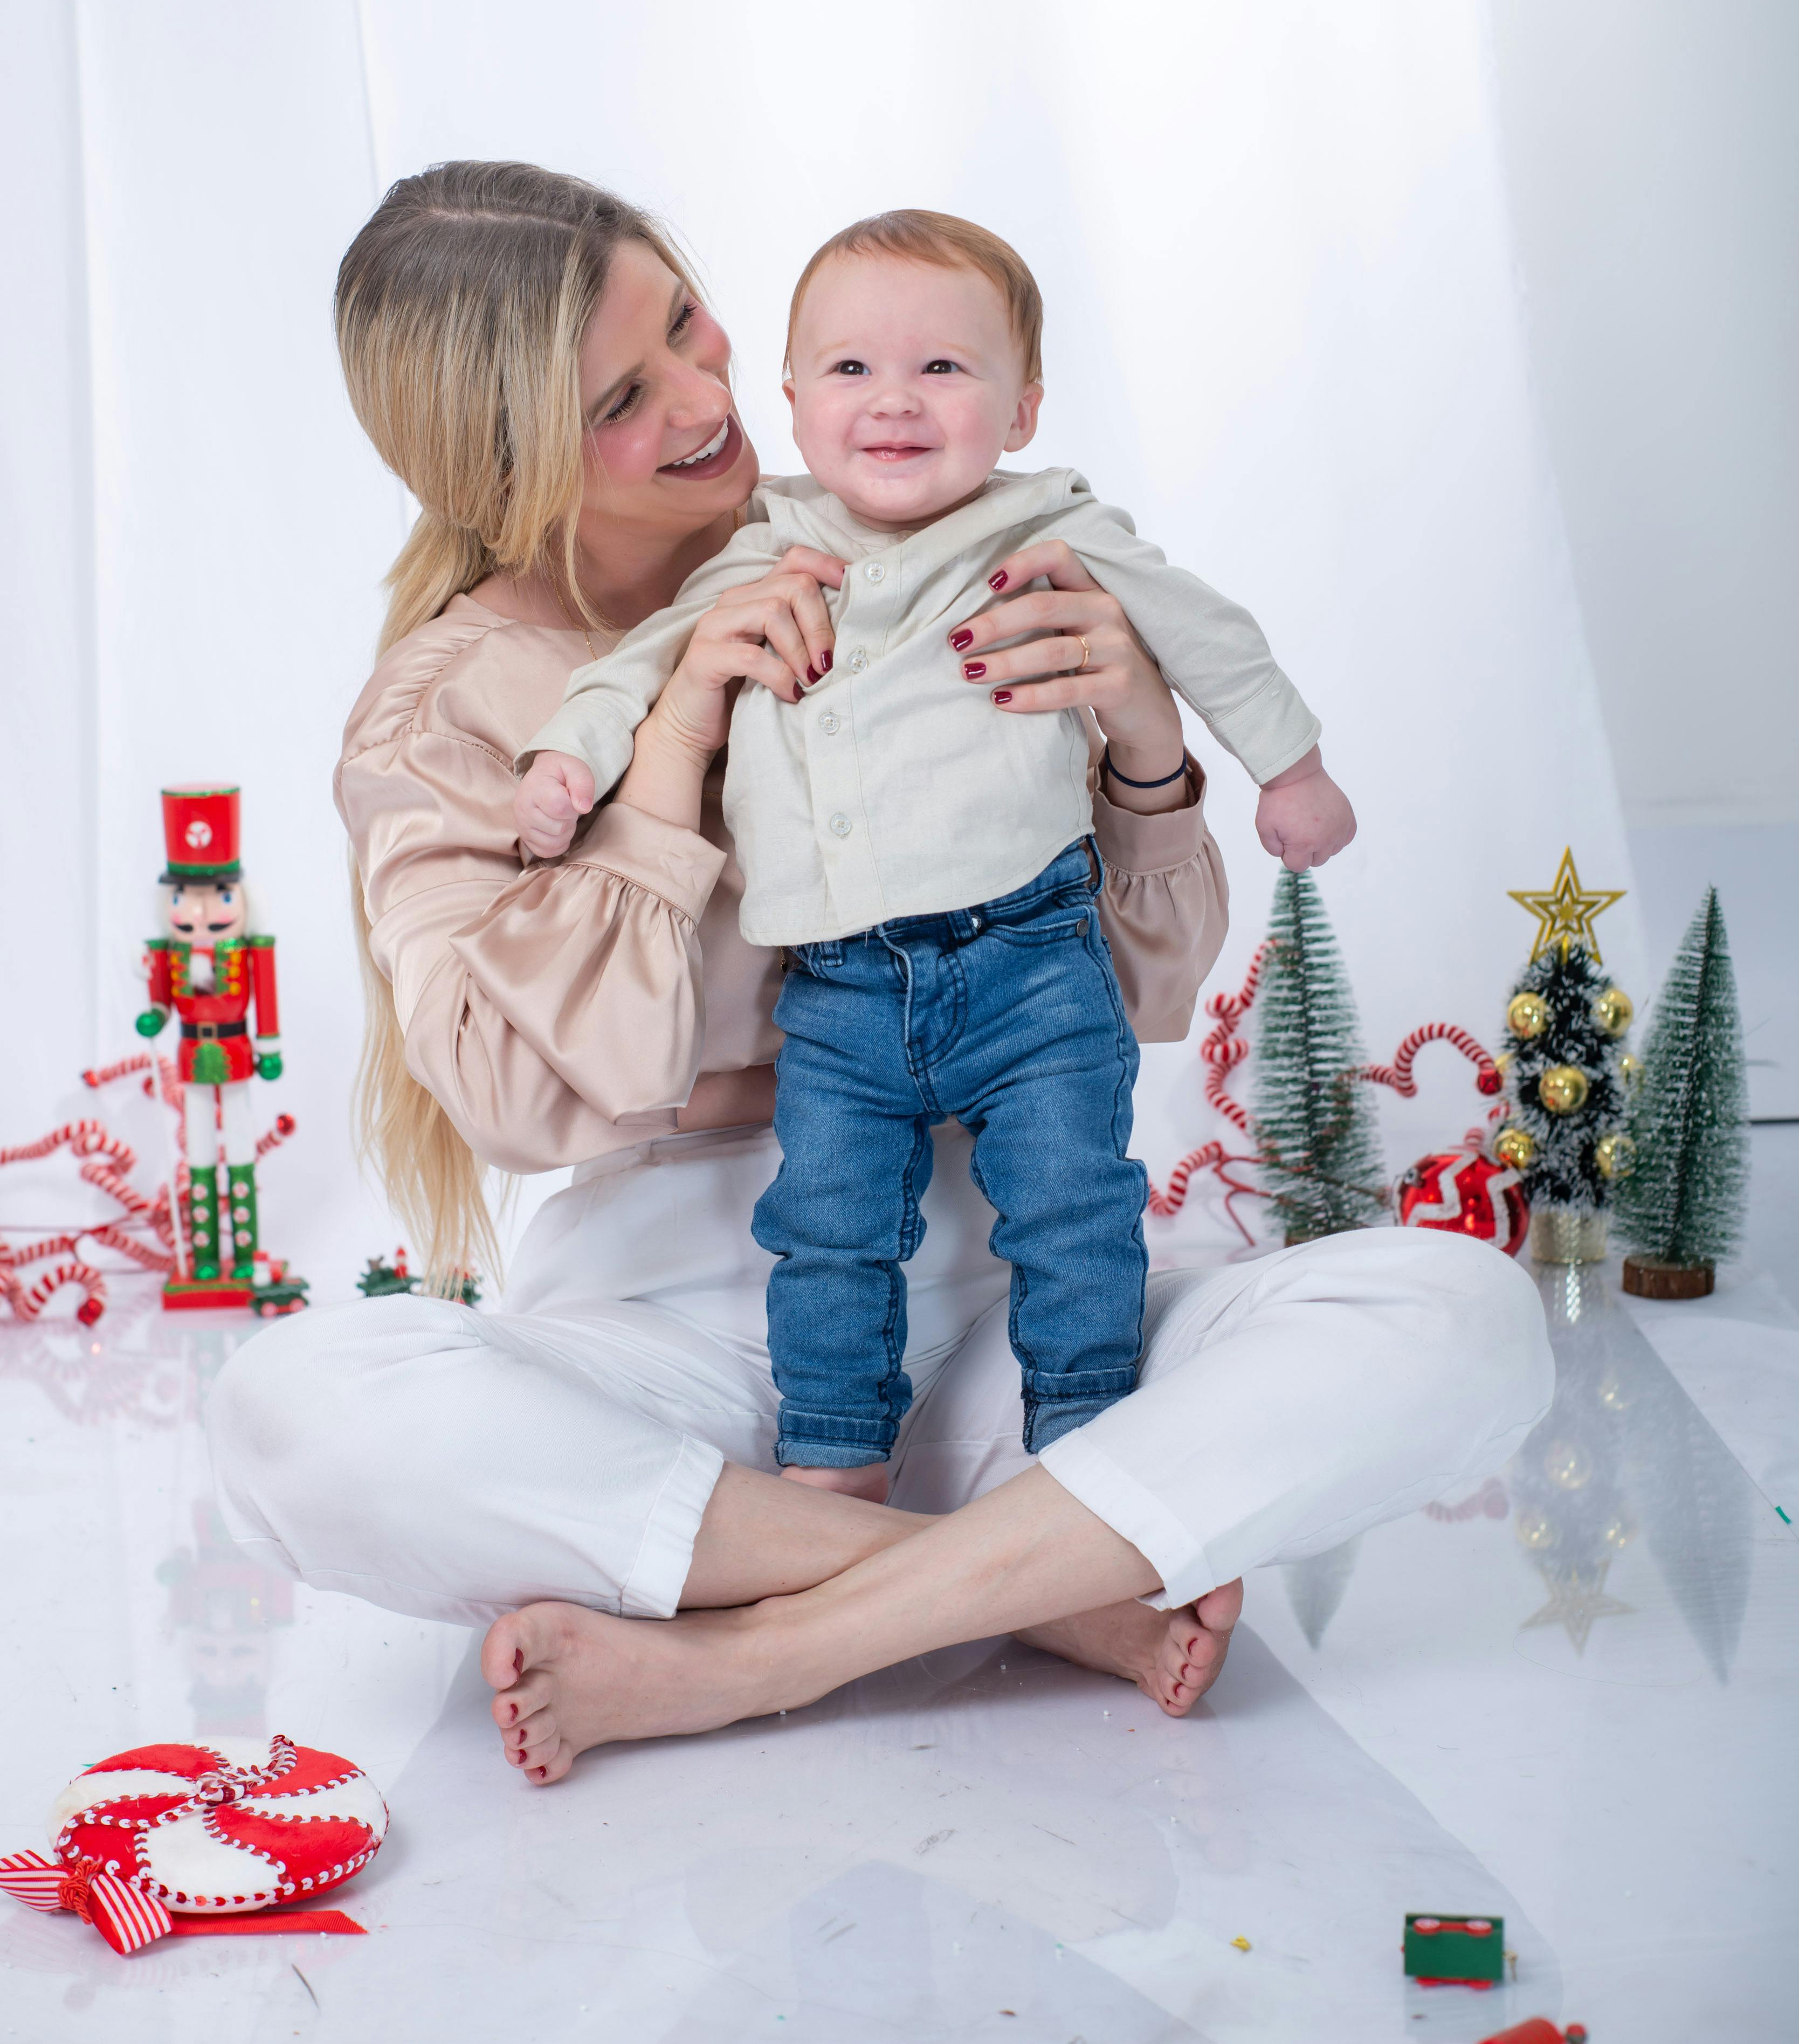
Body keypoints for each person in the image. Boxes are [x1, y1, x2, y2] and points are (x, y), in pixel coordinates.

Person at [206, 159, 1552, 1789]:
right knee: (294, 1405)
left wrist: (1138, 735)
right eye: (629, 397)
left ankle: (771, 1644)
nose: (711, 398)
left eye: (692, 325)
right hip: (690, 1338)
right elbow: (517, 1100)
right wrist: (671, 743)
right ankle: (1040, 1583)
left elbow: (1130, 998)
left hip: (1022, 1295)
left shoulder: (943, 547)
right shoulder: (451, 711)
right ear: (505, 465)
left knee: (1457, 1318)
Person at [514, 210, 1355, 1490]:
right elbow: (636, 666)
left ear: (1021, 408)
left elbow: (1205, 631)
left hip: (1030, 957)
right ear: (792, 402)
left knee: (1074, 1206)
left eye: (943, 370)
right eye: (851, 370)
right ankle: (835, 1456)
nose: (894, 401)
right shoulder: (765, 551)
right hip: (841, 990)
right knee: (829, 1225)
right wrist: (571, 757)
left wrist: (1287, 766)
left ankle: (1084, 1437)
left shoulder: (1045, 531)